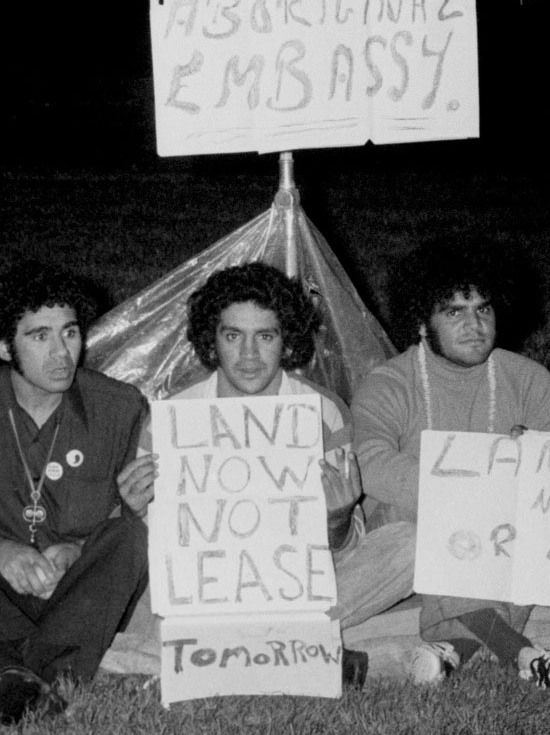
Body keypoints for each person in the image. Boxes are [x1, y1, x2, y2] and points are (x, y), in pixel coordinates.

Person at [0, 260, 157, 728]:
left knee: (130, 539)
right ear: (4, 347)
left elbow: (132, 517)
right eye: (40, 337)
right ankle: (38, 677)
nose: (62, 353)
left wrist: (81, 546)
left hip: (82, 594)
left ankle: (6, 672)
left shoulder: (120, 408)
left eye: (70, 333)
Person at [117, 262, 415, 641]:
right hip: (208, 589)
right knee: (124, 585)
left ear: (286, 341)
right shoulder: (172, 420)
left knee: (407, 545)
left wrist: (338, 519)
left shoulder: (323, 413)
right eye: (233, 336)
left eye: (265, 336)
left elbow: (345, 551)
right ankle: (285, 642)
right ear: (212, 341)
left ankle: (234, 644)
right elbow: (155, 553)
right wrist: (134, 511)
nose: (249, 354)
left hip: (296, 587)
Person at [350, 238, 550, 693]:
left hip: (501, 532)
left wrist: (533, 456)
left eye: (483, 309)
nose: (474, 326)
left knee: (532, 529)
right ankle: (520, 652)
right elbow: (370, 463)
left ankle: (454, 648)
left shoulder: (530, 380)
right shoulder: (389, 383)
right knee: (440, 524)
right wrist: (465, 493)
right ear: (422, 322)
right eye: (454, 312)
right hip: (409, 530)